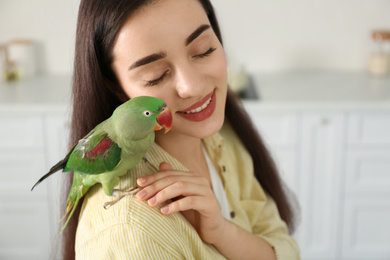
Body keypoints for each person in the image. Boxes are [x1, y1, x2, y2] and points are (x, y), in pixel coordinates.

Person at [60, 0, 301, 259]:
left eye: (203, 50)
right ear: (116, 87)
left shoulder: (222, 135)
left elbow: (282, 245)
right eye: (156, 75)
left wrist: (222, 232)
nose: (193, 88)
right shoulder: (131, 236)